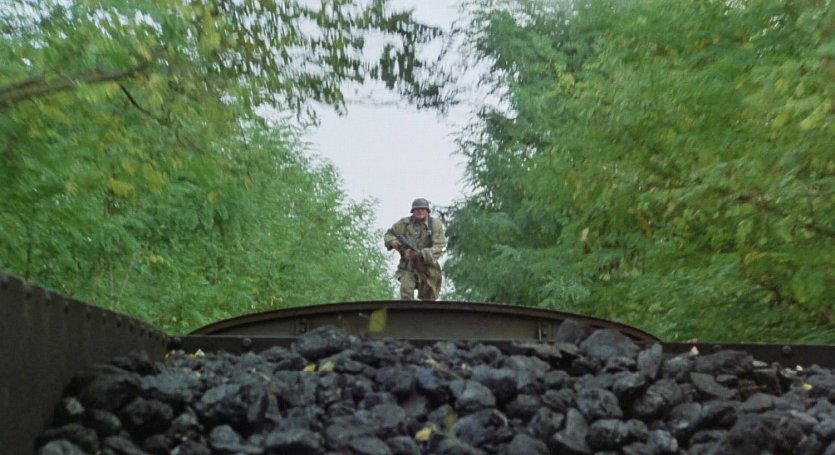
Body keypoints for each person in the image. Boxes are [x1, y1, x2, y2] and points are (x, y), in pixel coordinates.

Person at [383, 198, 447, 300]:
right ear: (413, 211)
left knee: (429, 299)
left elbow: (440, 247)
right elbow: (389, 234)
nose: (420, 211)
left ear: (427, 211)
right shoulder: (404, 224)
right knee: (406, 291)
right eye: (417, 209)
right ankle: (407, 311)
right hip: (408, 266)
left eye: (423, 209)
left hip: (428, 268)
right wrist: (393, 242)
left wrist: (420, 254)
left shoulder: (434, 224)